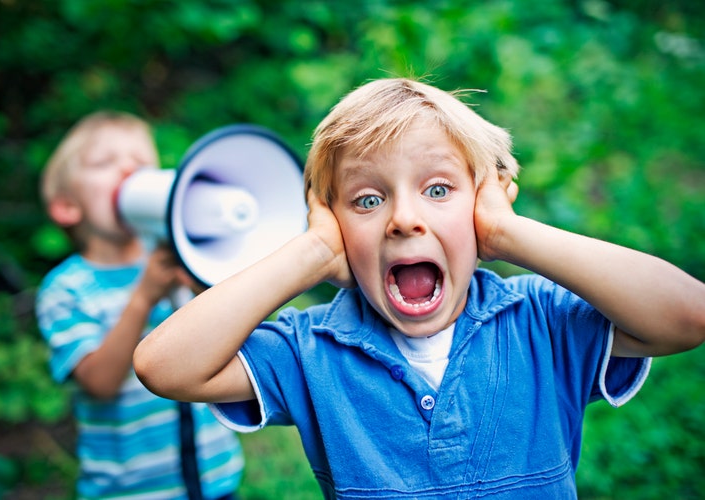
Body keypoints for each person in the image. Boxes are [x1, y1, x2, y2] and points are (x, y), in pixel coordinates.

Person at [133, 79, 705, 499]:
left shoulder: (541, 320)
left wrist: (508, 233)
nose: (404, 219)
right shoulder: (311, 349)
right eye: (368, 200)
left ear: (484, 203)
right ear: (334, 225)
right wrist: (310, 253)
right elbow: (165, 366)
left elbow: (687, 315)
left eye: (437, 190)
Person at [35, 111, 244, 499]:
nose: (129, 169)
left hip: (216, 478)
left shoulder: (182, 258)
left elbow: (231, 343)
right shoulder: (66, 289)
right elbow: (100, 383)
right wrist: (144, 298)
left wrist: (202, 285)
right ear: (67, 206)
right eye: (104, 163)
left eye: (141, 163)